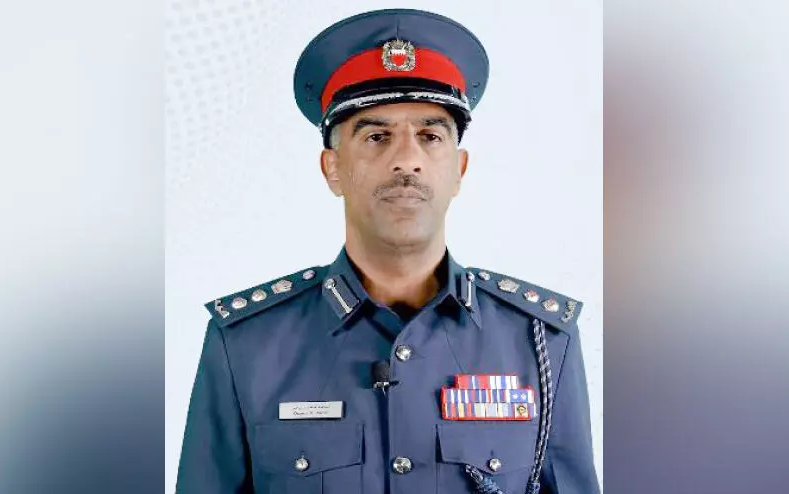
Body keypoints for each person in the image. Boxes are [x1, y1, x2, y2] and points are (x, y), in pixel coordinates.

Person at [176, 8, 599, 494]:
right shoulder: (246, 345)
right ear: (332, 168)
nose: (406, 160)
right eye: (377, 136)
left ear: (459, 169)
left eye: (430, 136)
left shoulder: (539, 341)